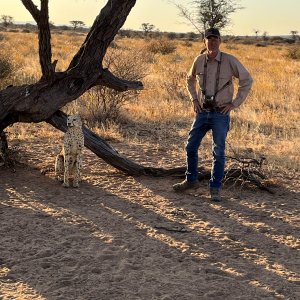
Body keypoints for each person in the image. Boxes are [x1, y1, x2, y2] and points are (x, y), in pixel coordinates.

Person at [173, 28, 253, 201]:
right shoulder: (199, 60)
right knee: (190, 147)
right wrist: (194, 99)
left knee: (218, 152)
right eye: (209, 39)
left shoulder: (230, 60)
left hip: (220, 114)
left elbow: (247, 80)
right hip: (202, 112)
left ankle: (215, 188)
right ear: (204, 42)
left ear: (220, 41)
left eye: (215, 39)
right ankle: (191, 180)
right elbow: (189, 79)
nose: (212, 42)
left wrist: (234, 104)